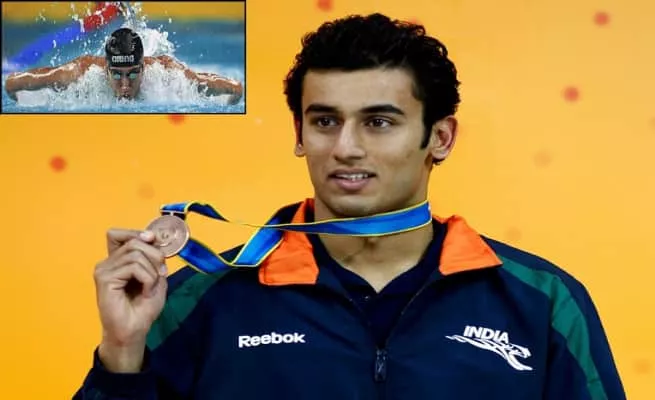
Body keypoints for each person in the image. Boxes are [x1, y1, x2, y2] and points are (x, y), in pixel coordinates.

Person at [74, 13, 625, 400]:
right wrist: (121, 352)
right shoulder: (199, 300)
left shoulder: (542, 303)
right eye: (325, 121)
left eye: (379, 122)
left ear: (440, 138)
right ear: (299, 134)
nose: (345, 148)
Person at [4, 27, 243, 104]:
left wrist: (231, 103)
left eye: (133, 74)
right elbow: (12, 83)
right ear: (106, 70)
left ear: (144, 67)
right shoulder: (78, 74)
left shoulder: (167, 73)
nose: (126, 85)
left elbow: (235, 89)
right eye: (117, 75)